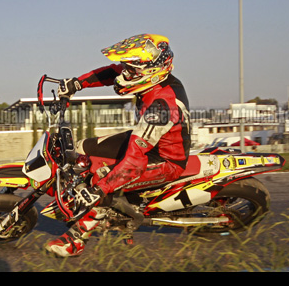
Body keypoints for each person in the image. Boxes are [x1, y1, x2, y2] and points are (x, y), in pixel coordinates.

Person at [45, 34, 191, 257]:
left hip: (165, 159)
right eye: (126, 66)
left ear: (150, 72)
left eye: (130, 70)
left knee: (103, 178)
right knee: (83, 149)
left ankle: (77, 240)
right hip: (146, 140)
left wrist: (98, 190)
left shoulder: (163, 105)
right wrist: (77, 83)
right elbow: (111, 72)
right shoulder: (152, 80)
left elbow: (133, 162)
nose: (124, 73)